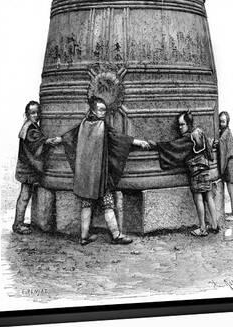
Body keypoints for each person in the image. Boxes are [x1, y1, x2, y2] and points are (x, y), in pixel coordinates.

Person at [60, 96, 150, 245]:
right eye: (101, 110)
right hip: (100, 176)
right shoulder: (102, 126)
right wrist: (138, 142)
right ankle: (116, 235)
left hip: (85, 177)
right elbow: (118, 138)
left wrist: (57, 139)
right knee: (108, 204)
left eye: (104, 110)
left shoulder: (83, 124)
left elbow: (69, 137)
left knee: (86, 204)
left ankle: (83, 237)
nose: (103, 112)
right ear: (93, 110)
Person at [148, 110, 219, 237]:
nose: (180, 127)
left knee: (198, 198)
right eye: (179, 125)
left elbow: (173, 146)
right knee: (208, 196)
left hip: (196, 173)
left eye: (182, 124)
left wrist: (157, 145)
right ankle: (215, 225)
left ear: (189, 124)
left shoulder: (188, 138)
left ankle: (202, 228)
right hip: (206, 170)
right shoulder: (200, 133)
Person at [12, 100, 58, 235]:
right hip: (27, 169)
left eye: (38, 112)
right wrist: (49, 141)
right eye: (32, 113)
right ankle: (18, 224)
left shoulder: (29, 126)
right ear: (27, 114)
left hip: (26, 167)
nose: (36, 115)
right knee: (25, 196)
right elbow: (36, 143)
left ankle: (18, 222)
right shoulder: (30, 128)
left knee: (25, 195)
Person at [215, 111, 233, 222]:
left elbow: (223, 156)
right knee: (232, 190)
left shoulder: (224, 135)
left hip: (229, 164)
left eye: (223, 121)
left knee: (231, 190)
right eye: (220, 121)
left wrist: (220, 172)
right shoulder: (226, 132)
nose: (221, 123)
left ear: (227, 122)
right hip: (230, 163)